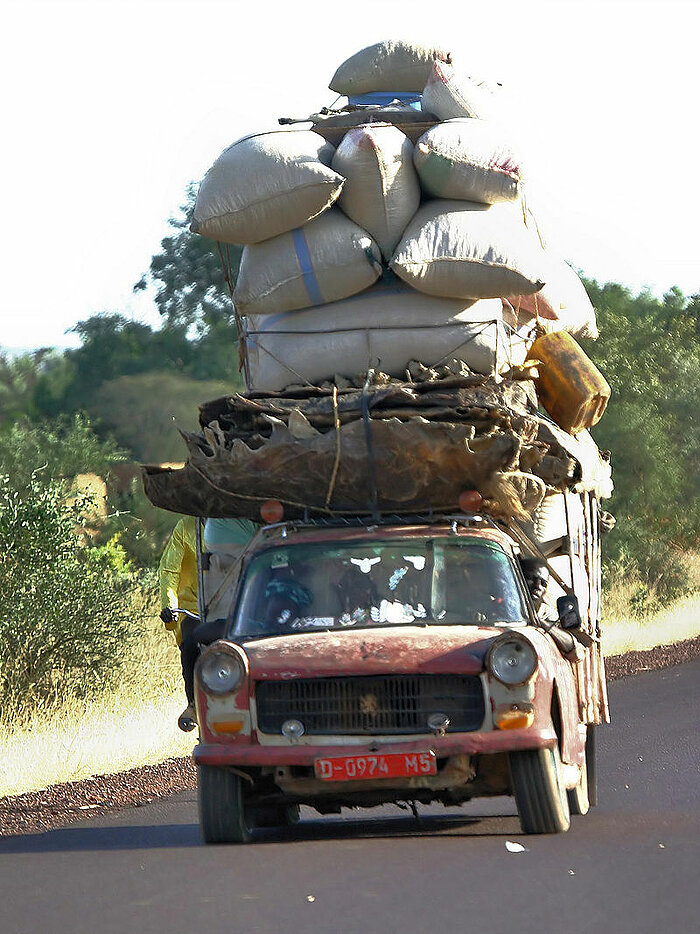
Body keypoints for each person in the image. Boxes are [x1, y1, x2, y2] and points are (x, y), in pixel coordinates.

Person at [177, 517, 259, 731]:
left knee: (193, 642)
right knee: (190, 642)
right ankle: (194, 704)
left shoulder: (259, 558)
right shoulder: (198, 534)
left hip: (257, 623)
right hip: (232, 621)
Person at [158, 515, 202, 731]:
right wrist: (169, 606)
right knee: (191, 641)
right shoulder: (185, 527)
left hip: (234, 605)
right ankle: (193, 704)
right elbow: (169, 571)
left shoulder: (232, 524)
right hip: (193, 608)